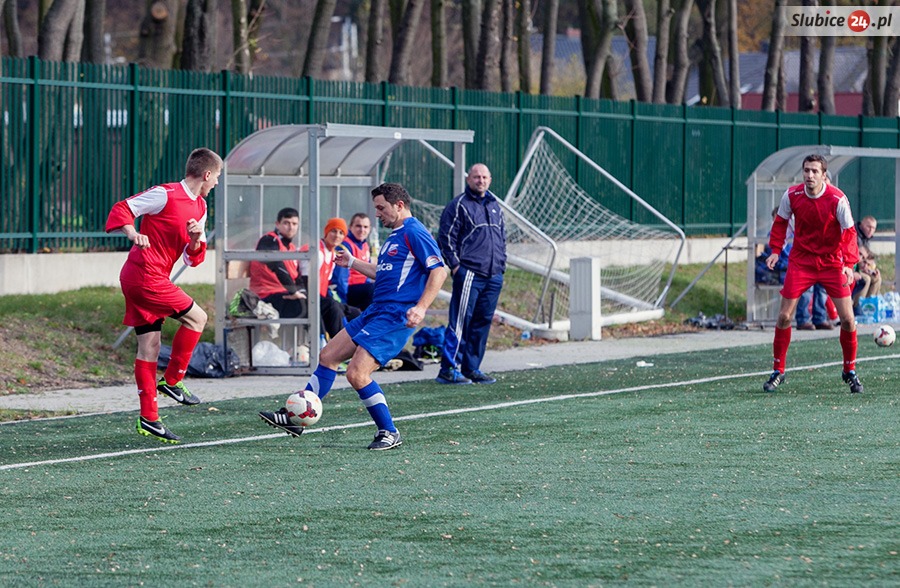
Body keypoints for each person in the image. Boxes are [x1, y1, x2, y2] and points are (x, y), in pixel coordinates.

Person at [258, 182, 447, 450]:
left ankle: (389, 431)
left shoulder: (414, 231)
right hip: (376, 310)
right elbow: (383, 274)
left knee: (357, 373)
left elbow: (439, 271)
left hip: (396, 315)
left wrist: (422, 307)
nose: (377, 214)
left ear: (399, 205)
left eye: (381, 208)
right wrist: (352, 263)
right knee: (328, 356)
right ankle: (295, 419)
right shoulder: (395, 235)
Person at [104, 147, 223, 443]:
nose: (217, 183)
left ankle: (149, 419)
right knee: (198, 318)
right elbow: (123, 208)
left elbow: (192, 259)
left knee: (149, 347)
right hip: (144, 275)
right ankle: (172, 380)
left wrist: (195, 240)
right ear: (207, 174)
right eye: (217, 177)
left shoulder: (201, 208)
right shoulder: (166, 194)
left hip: (148, 277)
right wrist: (133, 234)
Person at [762, 154, 863, 394]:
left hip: (832, 262)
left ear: (824, 175)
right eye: (806, 170)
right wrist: (775, 250)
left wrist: (849, 264)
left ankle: (849, 370)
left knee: (848, 320)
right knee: (784, 316)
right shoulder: (792, 195)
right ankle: (778, 371)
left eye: (815, 171)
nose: (810, 175)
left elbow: (849, 232)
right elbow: (780, 223)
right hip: (802, 261)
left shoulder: (837, 198)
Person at [435, 163, 506, 385]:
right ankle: (448, 369)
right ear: (469, 179)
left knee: (482, 322)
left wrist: (501, 264)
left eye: (484, 177)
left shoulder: (495, 205)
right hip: (470, 273)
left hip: (494, 275)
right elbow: (446, 238)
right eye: (476, 177)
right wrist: (456, 266)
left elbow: (502, 237)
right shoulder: (459, 205)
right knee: (460, 321)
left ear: (490, 180)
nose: (480, 180)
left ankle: (471, 368)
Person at [298, 217, 361, 339]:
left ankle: (358, 345)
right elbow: (305, 281)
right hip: (309, 298)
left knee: (355, 312)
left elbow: (326, 285)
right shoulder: (317, 251)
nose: (337, 235)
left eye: (341, 233)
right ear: (326, 232)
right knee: (333, 307)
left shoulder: (332, 254)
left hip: (321, 298)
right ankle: (339, 345)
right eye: (333, 231)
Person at [249, 207, 308, 319]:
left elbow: (297, 276)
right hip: (265, 296)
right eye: (286, 223)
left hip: (283, 293)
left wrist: (302, 292)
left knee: (326, 305)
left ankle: (330, 331)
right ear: (277, 224)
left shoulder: (291, 248)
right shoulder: (269, 240)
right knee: (306, 306)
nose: (291, 227)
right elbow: (277, 265)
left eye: (294, 224)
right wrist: (293, 291)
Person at [331, 212, 375, 310]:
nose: (362, 230)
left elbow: (367, 274)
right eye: (358, 226)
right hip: (349, 290)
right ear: (350, 227)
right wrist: (344, 304)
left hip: (363, 289)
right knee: (373, 289)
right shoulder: (344, 246)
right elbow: (340, 278)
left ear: (369, 229)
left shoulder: (365, 245)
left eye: (365, 227)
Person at [851, 215, 882, 312]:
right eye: (869, 227)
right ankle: (857, 307)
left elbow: (869, 257)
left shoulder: (865, 238)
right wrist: (862, 264)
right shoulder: (854, 234)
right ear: (862, 225)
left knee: (877, 278)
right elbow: (854, 256)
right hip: (850, 268)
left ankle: (869, 306)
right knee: (865, 279)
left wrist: (872, 269)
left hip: (859, 267)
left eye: (873, 228)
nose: (871, 230)